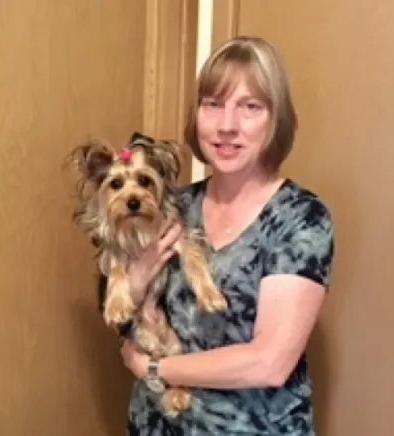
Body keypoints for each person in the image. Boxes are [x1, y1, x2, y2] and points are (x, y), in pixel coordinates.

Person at [120, 35, 335, 435]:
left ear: (276, 120)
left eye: (249, 107)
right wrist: (133, 283)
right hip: (156, 424)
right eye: (213, 104)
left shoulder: (301, 220)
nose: (226, 126)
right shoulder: (170, 206)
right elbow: (125, 313)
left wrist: (153, 367)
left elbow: (268, 362)